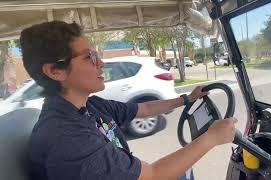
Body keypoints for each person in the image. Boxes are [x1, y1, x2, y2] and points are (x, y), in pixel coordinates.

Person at [20, 21, 237, 180]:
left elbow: (143, 108)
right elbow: (152, 176)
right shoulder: (65, 137)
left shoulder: (89, 106)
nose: (101, 63)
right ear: (55, 71)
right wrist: (211, 138)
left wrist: (185, 99)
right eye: (90, 57)